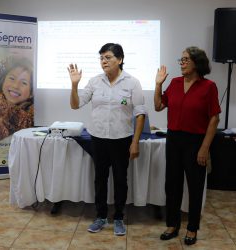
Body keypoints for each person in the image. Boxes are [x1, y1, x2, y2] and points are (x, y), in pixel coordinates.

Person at [69, 43, 146, 236]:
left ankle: (119, 217)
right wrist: (74, 85)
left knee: (121, 179)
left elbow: (140, 114)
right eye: (101, 58)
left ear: (120, 60)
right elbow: (75, 105)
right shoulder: (95, 82)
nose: (104, 61)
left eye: (108, 57)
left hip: (122, 139)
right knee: (100, 179)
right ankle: (101, 216)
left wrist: (135, 142)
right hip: (99, 138)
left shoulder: (132, 82)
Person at [154, 46, 221, 245]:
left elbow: (214, 119)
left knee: (195, 186)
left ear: (197, 62)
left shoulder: (209, 86)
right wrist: (158, 85)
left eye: (185, 60)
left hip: (196, 141)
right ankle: (172, 224)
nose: (181, 63)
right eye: (180, 60)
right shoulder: (174, 83)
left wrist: (204, 148)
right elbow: (158, 106)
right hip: (174, 138)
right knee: (172, 184)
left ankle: (192, 228)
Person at [0, 57, 34, 143]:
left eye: (24, 83)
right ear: (3, 80)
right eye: (12, 78)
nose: (16, 86)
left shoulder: (31, 117)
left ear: (31, 93)